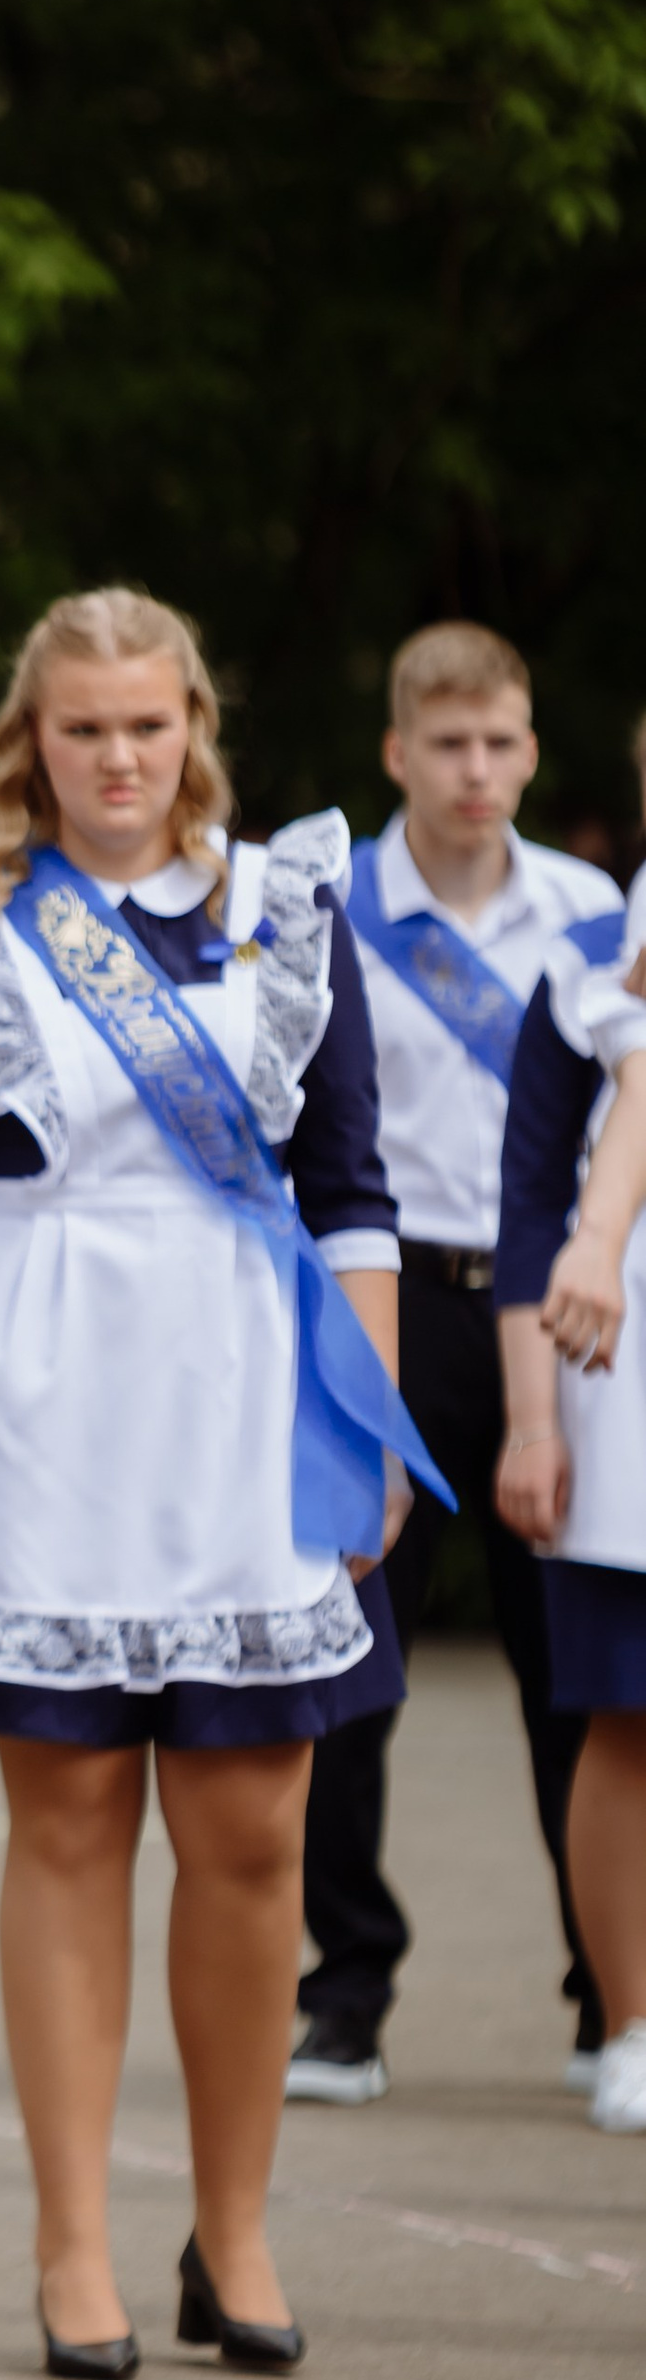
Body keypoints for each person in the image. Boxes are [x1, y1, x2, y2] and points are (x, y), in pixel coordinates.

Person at [0, 587, 435, 2380]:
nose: (119, 758)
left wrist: (377, 1411)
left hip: (249, 1382)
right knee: (76, 1819)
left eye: (148, 725)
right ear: (32, 741)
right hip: (45, 1381)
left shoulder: (291, 908)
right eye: (82, 728)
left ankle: (236, 2224)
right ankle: (74, 2242)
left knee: (257, 1826)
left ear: (197, 729)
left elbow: (350, 1183)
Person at [288, 625, 618, 2105]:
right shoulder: (328, 901)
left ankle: (608, 1989)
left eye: (502, 745)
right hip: (394, 1293)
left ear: (533, 750)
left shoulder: (591, 910)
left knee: (581, 1665)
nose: (477, 773)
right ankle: (346, 1991)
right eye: (449, 746)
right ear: (396, 755)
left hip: (563, 1307)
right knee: (357, 1651)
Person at [494, 864, 646, 2132]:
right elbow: (536, 1195)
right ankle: (630, 2023)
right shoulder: (584, 957)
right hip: (620, 1364)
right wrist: (533, 1418)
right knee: (626, 1715)